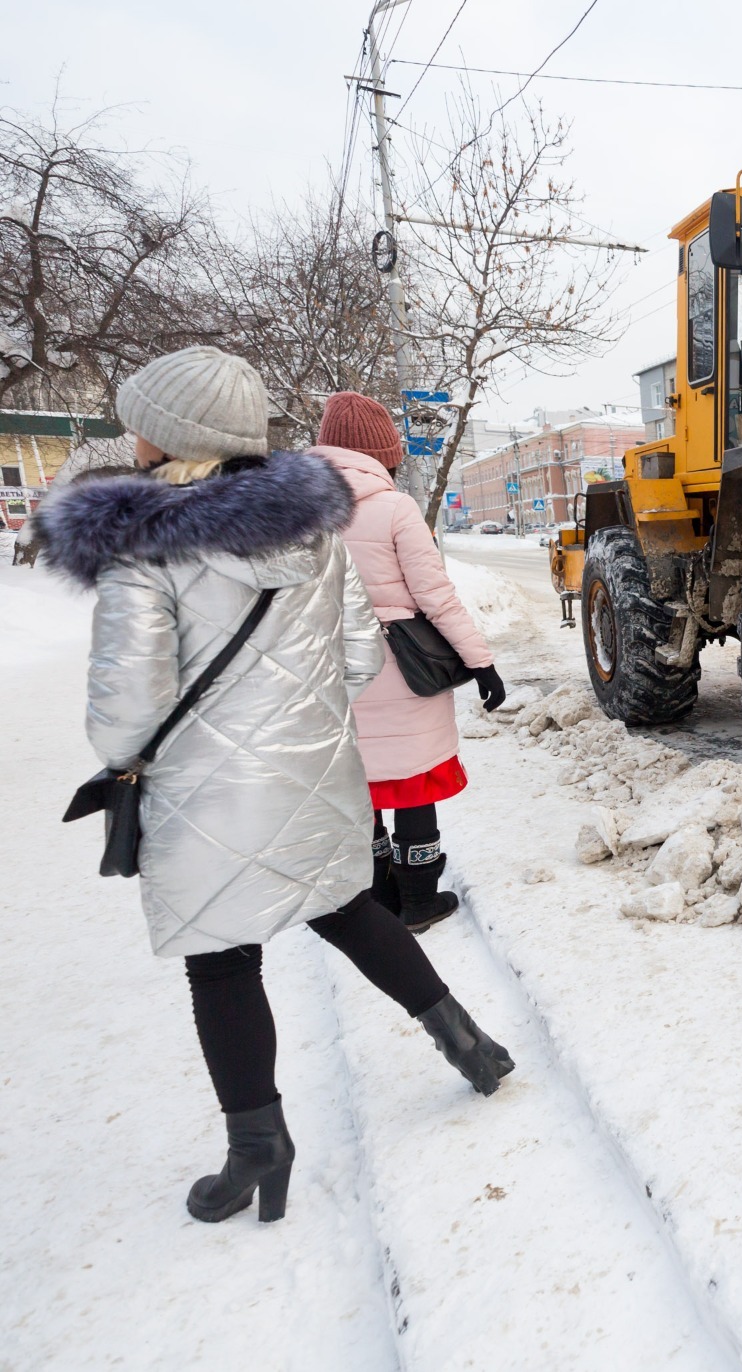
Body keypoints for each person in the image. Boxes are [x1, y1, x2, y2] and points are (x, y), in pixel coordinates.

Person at [35, 346, 513, 1227]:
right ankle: (469, 1043)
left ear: (170, 439)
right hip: (317, 768)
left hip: (203, 793)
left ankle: (257, 1150)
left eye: (139, 419)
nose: (129, 434)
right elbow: (362, 655)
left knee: (223, 964)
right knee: (345, 908)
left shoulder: (143, 549)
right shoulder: (316, 536)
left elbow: (122, 714)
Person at [309, 392, 504, 932]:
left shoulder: (290, 511)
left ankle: (382, 900)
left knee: (360, 786)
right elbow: (435, 595)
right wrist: (480, 664)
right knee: (413, 782)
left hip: (324, 671)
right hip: (400, 669)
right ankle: (420, 901)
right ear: (382, 453)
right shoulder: (394, 507)